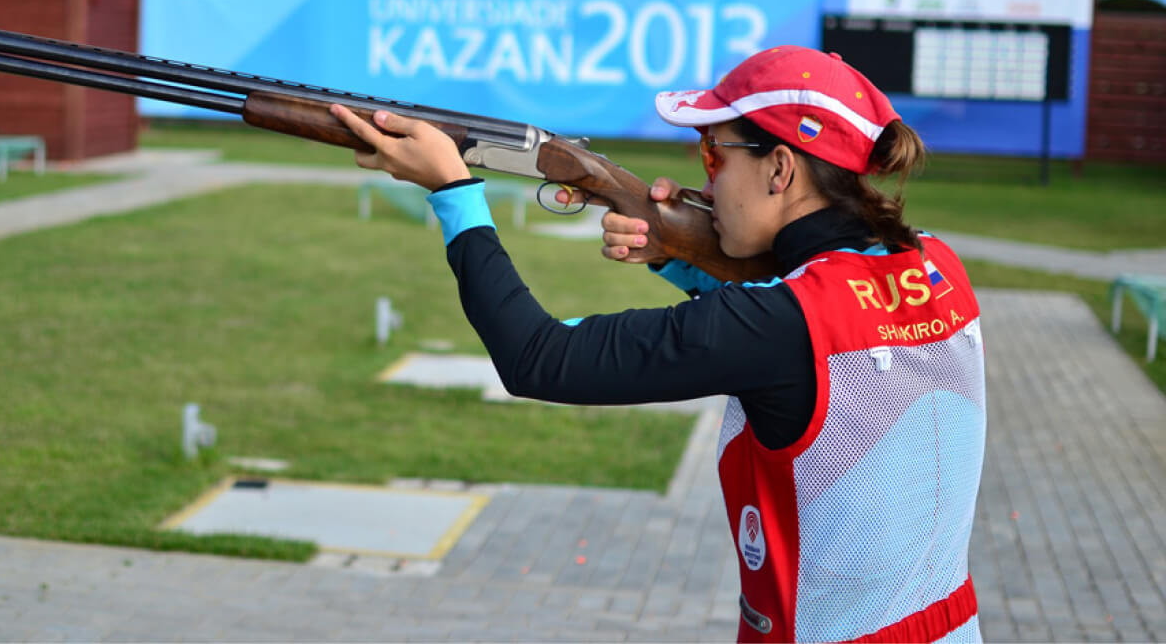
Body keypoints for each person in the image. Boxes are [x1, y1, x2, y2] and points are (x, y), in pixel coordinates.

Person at [329, 45, 986, 643]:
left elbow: (539, 359)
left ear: (781, 169)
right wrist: (681, 256)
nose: (704, 178)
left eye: (713, 154)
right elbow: (824, 308)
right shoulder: (937, 264)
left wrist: (453, 193)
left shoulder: (781, 324)